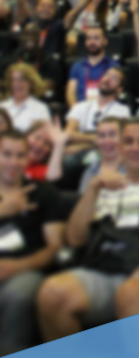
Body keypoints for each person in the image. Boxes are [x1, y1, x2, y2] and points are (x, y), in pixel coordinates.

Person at [37, 118, 139, 341]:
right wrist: (93, 188)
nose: (135, 148)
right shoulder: (106, 186)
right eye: (128, 141)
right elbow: (75, 239)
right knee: (52, 293)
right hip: (107, 268)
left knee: (130, 293)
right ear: (121, 147)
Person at [0, 130, 66, 351]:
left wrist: (16, 267)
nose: (13, 162)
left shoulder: (44, 193)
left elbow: (55, 247)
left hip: (26, 271)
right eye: (6, 154)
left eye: (20, 155)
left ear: (27, 157)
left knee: (20, 294)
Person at [64, 67, 130, 151]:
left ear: (119, 89)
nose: (108, 79)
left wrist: (80, 144)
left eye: (114, 78)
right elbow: (68, 134)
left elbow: (116, 141)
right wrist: (94, 139)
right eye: (107, 75)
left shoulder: (123, 110)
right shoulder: (80, 106)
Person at [65, 26, 120, 107]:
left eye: (96, 38)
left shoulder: (113, 67)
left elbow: (116, 93)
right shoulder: (77, 66)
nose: (92, 42)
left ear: (105, 41)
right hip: (81, 110)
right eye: (89, 38)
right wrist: (77, 111)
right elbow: (70, 93)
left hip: (106, 110)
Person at [78, 117, 126, 193]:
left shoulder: (135, 169)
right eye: (102, 136)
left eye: (112, 135)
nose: (106, 140)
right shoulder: (91, 170)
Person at [0, 63, 51, 133]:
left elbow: (45, 134)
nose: (17, 83)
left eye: (22, 79)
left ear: (31, 83)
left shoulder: (40, 108)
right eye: (13, 80)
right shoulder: (2, 106)